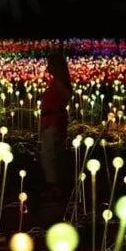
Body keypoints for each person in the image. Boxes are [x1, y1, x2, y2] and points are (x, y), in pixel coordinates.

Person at [40, 52, 73, 200]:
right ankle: (55, 185)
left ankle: (53, 187)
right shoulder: (56, 81)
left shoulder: (60, 82)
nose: (47, 67)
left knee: (49, 154)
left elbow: (66, 96)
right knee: (51, 153)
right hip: (49, 120)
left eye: (50, 64)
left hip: (54, 121)